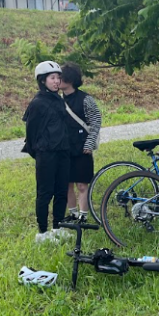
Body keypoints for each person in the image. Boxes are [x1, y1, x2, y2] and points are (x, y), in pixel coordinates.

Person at [23, 61, 71, 241]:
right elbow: (31, 132)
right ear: (43, 81)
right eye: (52, 78)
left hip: (63, 152)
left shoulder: (59, 100)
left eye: (58, 78)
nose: (57, 81)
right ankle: (42, 232)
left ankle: (57, 227)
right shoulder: (37, 103)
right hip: (46, 153)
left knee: (61, 191)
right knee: (45, 193)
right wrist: (40, 152)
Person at [59, 63, 102, 220]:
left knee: (82, 184)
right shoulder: (56, 100)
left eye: (60, 77)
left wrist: (89, 143)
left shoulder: (85, 99)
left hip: (82, 147)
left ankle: (83, 216)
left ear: (69, 79)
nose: (57, 81)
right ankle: (72, 213)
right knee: (66, 184)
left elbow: (96, 122)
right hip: (64, 149)